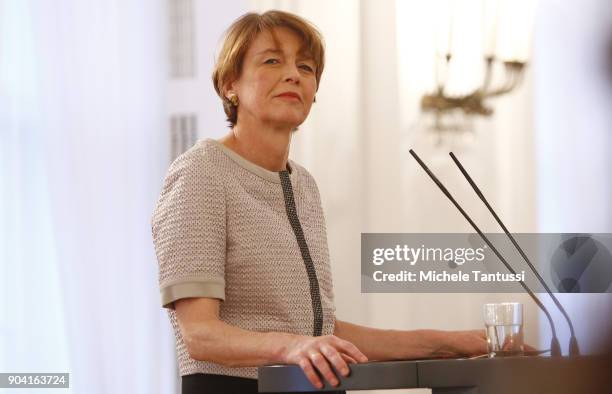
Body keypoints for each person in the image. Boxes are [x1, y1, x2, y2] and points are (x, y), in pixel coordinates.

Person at [151, 10, 487, 394]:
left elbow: (322, 333)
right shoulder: (201, 172)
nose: (294, 74)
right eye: (272, 60)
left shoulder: (304, 186)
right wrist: (294, 346)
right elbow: (200, 335)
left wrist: (450, 343)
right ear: (230, 84)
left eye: (306, 66)